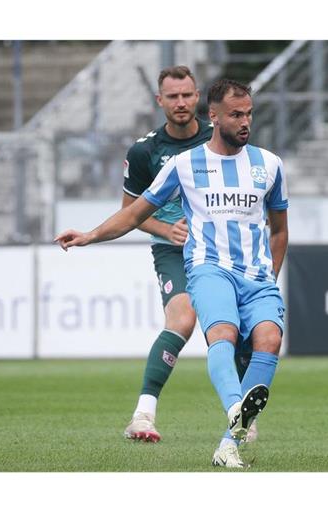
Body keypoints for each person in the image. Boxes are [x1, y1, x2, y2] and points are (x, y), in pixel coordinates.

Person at [55, 78, 289, 469]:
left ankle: (228, 445)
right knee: (223, 334)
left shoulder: (270, 164)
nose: (245, 121)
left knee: (269, 339)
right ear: (213, 116)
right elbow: (133, 213)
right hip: (209, 269)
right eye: (236, 115)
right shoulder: (184, 165)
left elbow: (279, 229)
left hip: (258, 275)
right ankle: (235, 409)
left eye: (249, 113)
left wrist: (270, 279)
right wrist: (90, 235)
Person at [119, 65, 212, 443]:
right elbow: (130, 213)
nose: (181, 102)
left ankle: (241, 416)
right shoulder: (144, 151)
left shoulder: (218, 138)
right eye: (172, 97)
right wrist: (164, 228)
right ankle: (143, 414)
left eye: (187, 95)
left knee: (234, 325)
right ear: (160, 101)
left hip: (220, 248)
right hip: (172, 250)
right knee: (183, 319)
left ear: (197, 96)